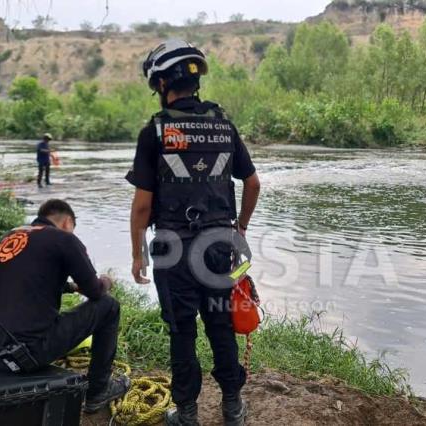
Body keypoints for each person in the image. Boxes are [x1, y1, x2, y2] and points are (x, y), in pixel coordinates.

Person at [127, 38, 261, 426]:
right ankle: (232, 407)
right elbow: (252, 184)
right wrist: (239, 229)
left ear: (162, 84)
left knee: (182, 331)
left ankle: (187, 413)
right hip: (219, 246)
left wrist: (137, 253)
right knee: (221, 324)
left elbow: (141, 206)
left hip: (172, 249)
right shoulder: (224, 125)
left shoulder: (154, 132)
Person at [0, 199, 129, 413]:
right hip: (22, 356)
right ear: (67, 222)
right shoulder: (64, 239)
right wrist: (107, 280)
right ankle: (98, 391)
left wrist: (71, 287)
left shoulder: (12, 236)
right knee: (109, 306)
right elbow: (95, 291)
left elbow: (31, 281)